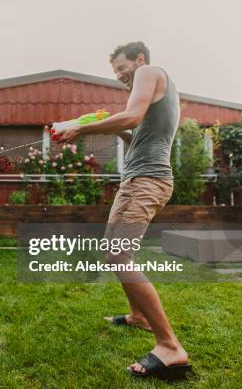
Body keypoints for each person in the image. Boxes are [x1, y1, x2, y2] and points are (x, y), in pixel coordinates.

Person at [53, 41, 191, 379]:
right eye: (115, 73)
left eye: (122, 69)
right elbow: (136, 131)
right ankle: (137, 315)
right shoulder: (152, 88)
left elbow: (132, 115)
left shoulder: (149, 72)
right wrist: (102, 124)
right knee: (112, 252)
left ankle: (170, 347)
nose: (119, 77)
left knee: (118, 256)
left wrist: (81, 128)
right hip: (137, 180)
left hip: (147, 180)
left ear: (139, 60)